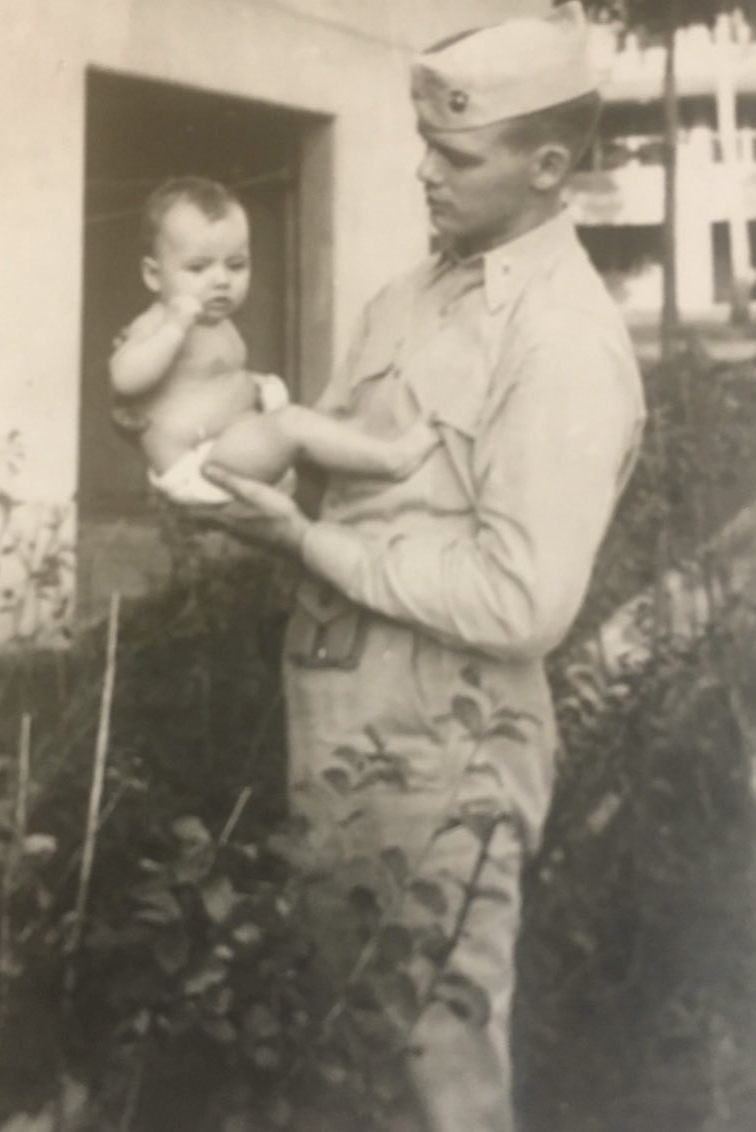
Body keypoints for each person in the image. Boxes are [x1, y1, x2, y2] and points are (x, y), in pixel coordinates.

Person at [193, 4, 646, 1129]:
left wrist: (305, 543)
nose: (424, 173)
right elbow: (337, 466)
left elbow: (523, 598)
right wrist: (197, 434)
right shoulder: (410, 296)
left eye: (455, 152)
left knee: (431, 1073)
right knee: (350, 1049)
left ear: (547, 166)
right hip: (341, 716)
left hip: (449, 741)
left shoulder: (562, 337)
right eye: (425, 145)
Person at [109, 177, 438, 505]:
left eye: (236, 265)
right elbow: (125, 378)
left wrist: (257, 386)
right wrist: (174, 328)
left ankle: (373, 462)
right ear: (154, 275)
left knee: (321, 436)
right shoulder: (158, 323)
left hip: (229, 449)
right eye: (198, 268)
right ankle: (393, 460)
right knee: (293, 424)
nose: (221, 280)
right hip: (196, 465)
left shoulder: (218, 324)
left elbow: (214, 381)